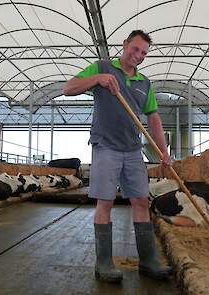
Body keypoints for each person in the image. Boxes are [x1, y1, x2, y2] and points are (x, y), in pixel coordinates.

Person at [63, 30, 173, 283]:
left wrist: (164, 153)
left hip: (133, 150)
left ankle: (148, 262)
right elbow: (67, 88)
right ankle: (103, 264)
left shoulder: (145, 83)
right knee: (106, 202)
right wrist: (98, 79)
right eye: (135, 49)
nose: (138, 56)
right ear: (124, 45)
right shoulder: (101, 67)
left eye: (144, 53)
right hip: (106, 146)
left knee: (141, 201)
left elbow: (154, 118)